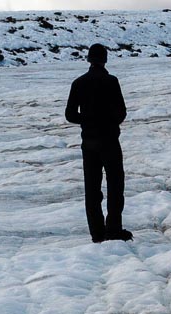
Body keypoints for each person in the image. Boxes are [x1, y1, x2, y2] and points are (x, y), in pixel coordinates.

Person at [65, 43, 133, 243]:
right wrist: (108, 122)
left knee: (92, 189)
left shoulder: (78, 83)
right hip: (110, 140)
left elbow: (70, 115)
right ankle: (113, 229)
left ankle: (97, 232)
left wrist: (87, 120)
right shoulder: (111, 81)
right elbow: (121, 112)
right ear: (104, 60)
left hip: (89, 142)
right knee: (115, 185)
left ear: (88, 59)